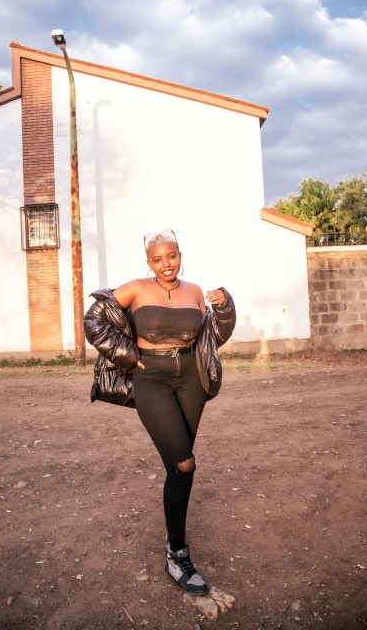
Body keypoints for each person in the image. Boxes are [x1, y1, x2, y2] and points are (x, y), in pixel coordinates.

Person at [83, 229, 236, 596]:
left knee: (177, 466)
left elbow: (215, 335)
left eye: (172, 256)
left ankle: (174, 541)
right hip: (150, 378)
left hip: (191, 381)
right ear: (148, 262)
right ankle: (177, 553)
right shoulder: (135, 288)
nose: (166, 264)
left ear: (180, 255)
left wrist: (225, 306)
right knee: (185, 464)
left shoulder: (195, 291)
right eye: (157, 258)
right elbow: (94, 321)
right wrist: (130, 356)